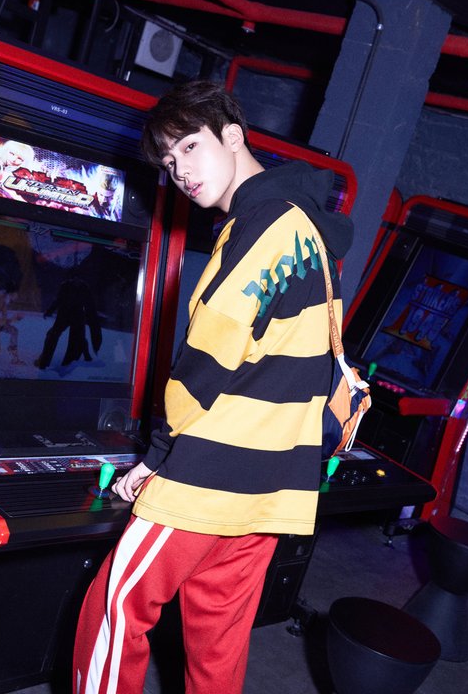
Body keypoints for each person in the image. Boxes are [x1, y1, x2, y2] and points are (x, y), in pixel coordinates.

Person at [73, 80, 354, 694]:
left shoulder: (261, 225)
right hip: (275, 479)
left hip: (210, 472)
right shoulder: (305, 225)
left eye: (189, 147)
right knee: (217, 638)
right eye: (169, 162)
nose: (180, 171)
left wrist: (157, 456)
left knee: (115, 609)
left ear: (233, 136)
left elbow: (208, 360)